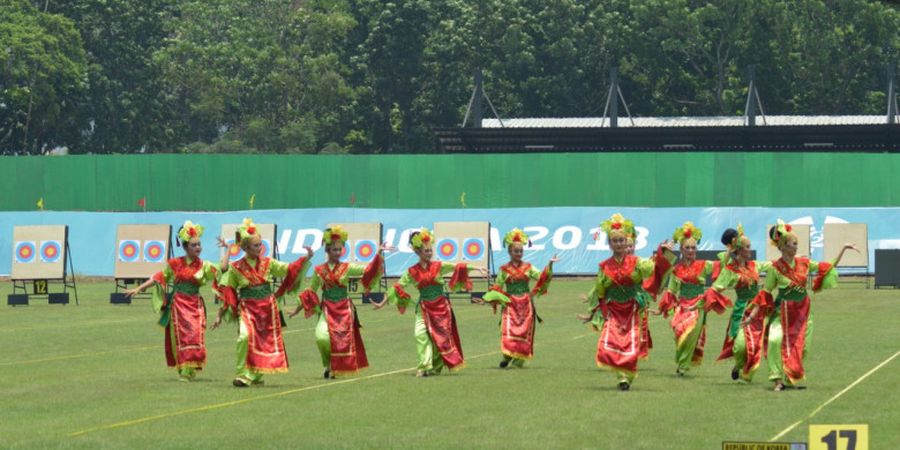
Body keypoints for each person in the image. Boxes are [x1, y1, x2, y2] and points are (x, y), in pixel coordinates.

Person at [744, 220, 858, 391]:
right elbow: (765, 293)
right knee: (775, 340)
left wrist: (843, 248)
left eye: (797, 244)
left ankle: (790, 378)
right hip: (782, 311)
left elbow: (827, 267)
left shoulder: (804, 263)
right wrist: (752, 316)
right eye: (793, 244)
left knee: (802, 347)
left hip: (803, 311)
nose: (796, 247)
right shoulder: (775, 268)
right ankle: (777, 379)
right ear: (783, 246)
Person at [374, 228, 488, 377]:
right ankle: (424, 366)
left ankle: (435, 367)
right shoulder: (412, 271)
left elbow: (458, 266)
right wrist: (382, 303)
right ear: (418, 252)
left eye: (430, 251)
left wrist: (478, 268)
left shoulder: (438, 266)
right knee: (420, 334)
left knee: (439, 339)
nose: (429, 253)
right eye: (426, 251)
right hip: (424, 308)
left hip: (441, 307)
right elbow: (398, 286)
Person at [579, 213, 675, 390]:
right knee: (612, 341)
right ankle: (621, 375)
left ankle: (626, 377)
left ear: (626, 242)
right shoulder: (604, 266)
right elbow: (600, 291)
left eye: (622, 241)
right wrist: (601, 312)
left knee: (631, 341)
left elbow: (654, 268)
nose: (619, 244)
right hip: (614, 310)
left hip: (632, 308)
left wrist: (663, 253)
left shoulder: (637, 262)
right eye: (615, 241)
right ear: (609, 244)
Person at [212, 218, 312, 387]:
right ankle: (242, 374)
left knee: (262, 342)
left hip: (267, 308)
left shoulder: (268, 262)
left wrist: (306, 257)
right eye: (255, 245)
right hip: (247, 308)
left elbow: (288, 269)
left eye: (260, 244)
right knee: (244, 337)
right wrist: (220, 314)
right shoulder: (236, 268)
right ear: (245, 248)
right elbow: (227, 291)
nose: (260, 248)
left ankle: (256, 375)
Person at [125, 221, 227, 381]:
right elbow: (159, 277)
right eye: (194, 245)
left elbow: (222, 268)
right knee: (182, 336)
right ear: (185, 247)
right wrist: (139, 288)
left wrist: (227, 249)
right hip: (179, 305)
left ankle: (191, 366)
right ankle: (184, 370)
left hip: (195, 304)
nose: (198, 248)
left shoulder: (204, 265)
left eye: (199, 244)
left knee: (196, 335)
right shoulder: (175, 264)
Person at [290, 226, 392, 379]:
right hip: (327, 309)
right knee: (321, 337)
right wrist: (296, 310)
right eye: (334, 250)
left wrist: (378, 254)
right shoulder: (319, 270)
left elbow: (367, 270)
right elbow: (310, 291)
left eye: (339, 250)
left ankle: (332, 367)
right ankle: (327, 363)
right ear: (327, 250)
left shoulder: (347, 267)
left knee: (340, 341)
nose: (337, 253)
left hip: (344, 309)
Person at [654, 222, 727, 376]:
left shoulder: (703, 265)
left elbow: (722, 265)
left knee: (691, 332)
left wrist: (729, 251)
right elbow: (672, 290)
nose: (691, 251)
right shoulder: (676, 269)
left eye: (693, 248)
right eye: (687, 248)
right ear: (681, 249)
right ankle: (681, 361)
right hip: (682, 305)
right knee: (678, 330)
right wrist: (662, 308)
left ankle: (682, 366)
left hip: (698, 305)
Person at [702, 225, 772, 382]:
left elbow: (773, 265)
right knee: (740, 346)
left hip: (758, 310)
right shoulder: (730, 270)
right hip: (741, 310)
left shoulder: (755, 265)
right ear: (739, 250)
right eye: (747, 247)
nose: (750, 250)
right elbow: (716, 287)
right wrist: (702, 302)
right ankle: (738, 365)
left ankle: (744, 372)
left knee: (754, 345)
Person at [479, 228, 557, 368]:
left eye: (521, 251)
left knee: (524, 332)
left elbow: (542, 278)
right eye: (516, 251)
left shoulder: (528, 267)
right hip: (510, 304)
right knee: (507, 330)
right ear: (509, 252)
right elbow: (497, 287)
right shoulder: (504, 269)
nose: (519, 254)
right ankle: (507, 356)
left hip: (526, 304)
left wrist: (550, 265)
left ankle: (518, 361)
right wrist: (487, 298)